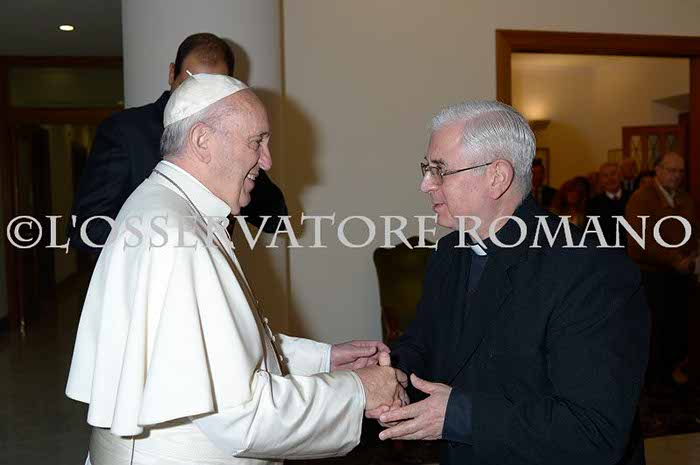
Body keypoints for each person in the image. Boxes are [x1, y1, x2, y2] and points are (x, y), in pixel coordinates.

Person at [66, 74, 408, 465]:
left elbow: (219, 349)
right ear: (202, 141)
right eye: (256, 142)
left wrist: (323, 360)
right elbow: (246, 418)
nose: (267, 161)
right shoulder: (178, 237)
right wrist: (357, 390)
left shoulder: (166, 207)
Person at [367, 101, 649, 465]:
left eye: (439, 170)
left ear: (497, 177)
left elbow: (594, 431)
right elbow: (427, 341)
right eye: (427, 169)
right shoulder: (450, 251)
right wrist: (390, 372)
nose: (426, 184)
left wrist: (461, 416)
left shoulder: (591, 269)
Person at [68, 33, 287, 252]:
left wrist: (239, 171)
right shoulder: (125, 130)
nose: (200, 99)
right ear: (172, 73)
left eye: (213, 90)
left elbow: (276, 219)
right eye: (189, 84)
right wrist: (170, 244)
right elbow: (87, 230)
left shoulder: (234, 140)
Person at [625, 152, 698, 386]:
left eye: (680, 171)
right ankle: (654, 380)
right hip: (652, 276)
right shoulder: (641, 198)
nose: (676, 176)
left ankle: (672, 372)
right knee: (656, 330)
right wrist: (675, 260)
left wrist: (692, 256)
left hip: (682, 275)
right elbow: (640, 242)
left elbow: (694, 233)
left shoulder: (685, 198)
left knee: (678, 327)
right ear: (657, 170)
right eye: (671, 170)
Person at [587, 162, 630, 246]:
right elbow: (591, 232)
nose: (610, 179)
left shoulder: (633, 198)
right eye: (605, 176)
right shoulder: (593, 204)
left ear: (620, 176)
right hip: (605, 250)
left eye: (613, 174)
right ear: (601, 181)